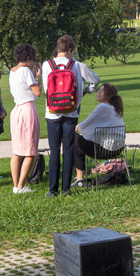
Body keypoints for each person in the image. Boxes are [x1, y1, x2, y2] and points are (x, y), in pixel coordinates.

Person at [41, 35, 85, 197]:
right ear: (70, 50)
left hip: (52, 113)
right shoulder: (75, 65)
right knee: (68, 149)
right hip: (70, 112)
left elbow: (47, 88)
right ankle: (66, 188)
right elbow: (79, 90)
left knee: (54, 150)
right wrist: (73, 107)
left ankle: (52, 190)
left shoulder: (47, 65)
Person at [73, 83, 125, 184]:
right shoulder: (115, 108)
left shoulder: (103, 107)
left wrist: (74, 129)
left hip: (105, 150)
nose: (98, 92)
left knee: (73, 140)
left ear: (108, 95)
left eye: (101, 91)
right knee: (79, 139)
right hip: (118, 149)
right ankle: (79, 176)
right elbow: (96, 128)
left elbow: (85, 125)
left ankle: (79, 180)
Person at [9, 44, 42, 194]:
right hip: (28, 109)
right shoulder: (25, 71)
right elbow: (37, 92)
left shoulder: (13, 71)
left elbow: (23, 86)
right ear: (29, 58)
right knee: (30, 150)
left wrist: (33, 76)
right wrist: (39, 78)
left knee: (17, 151)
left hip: (16, 110)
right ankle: (21, 185)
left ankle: (16, 184)